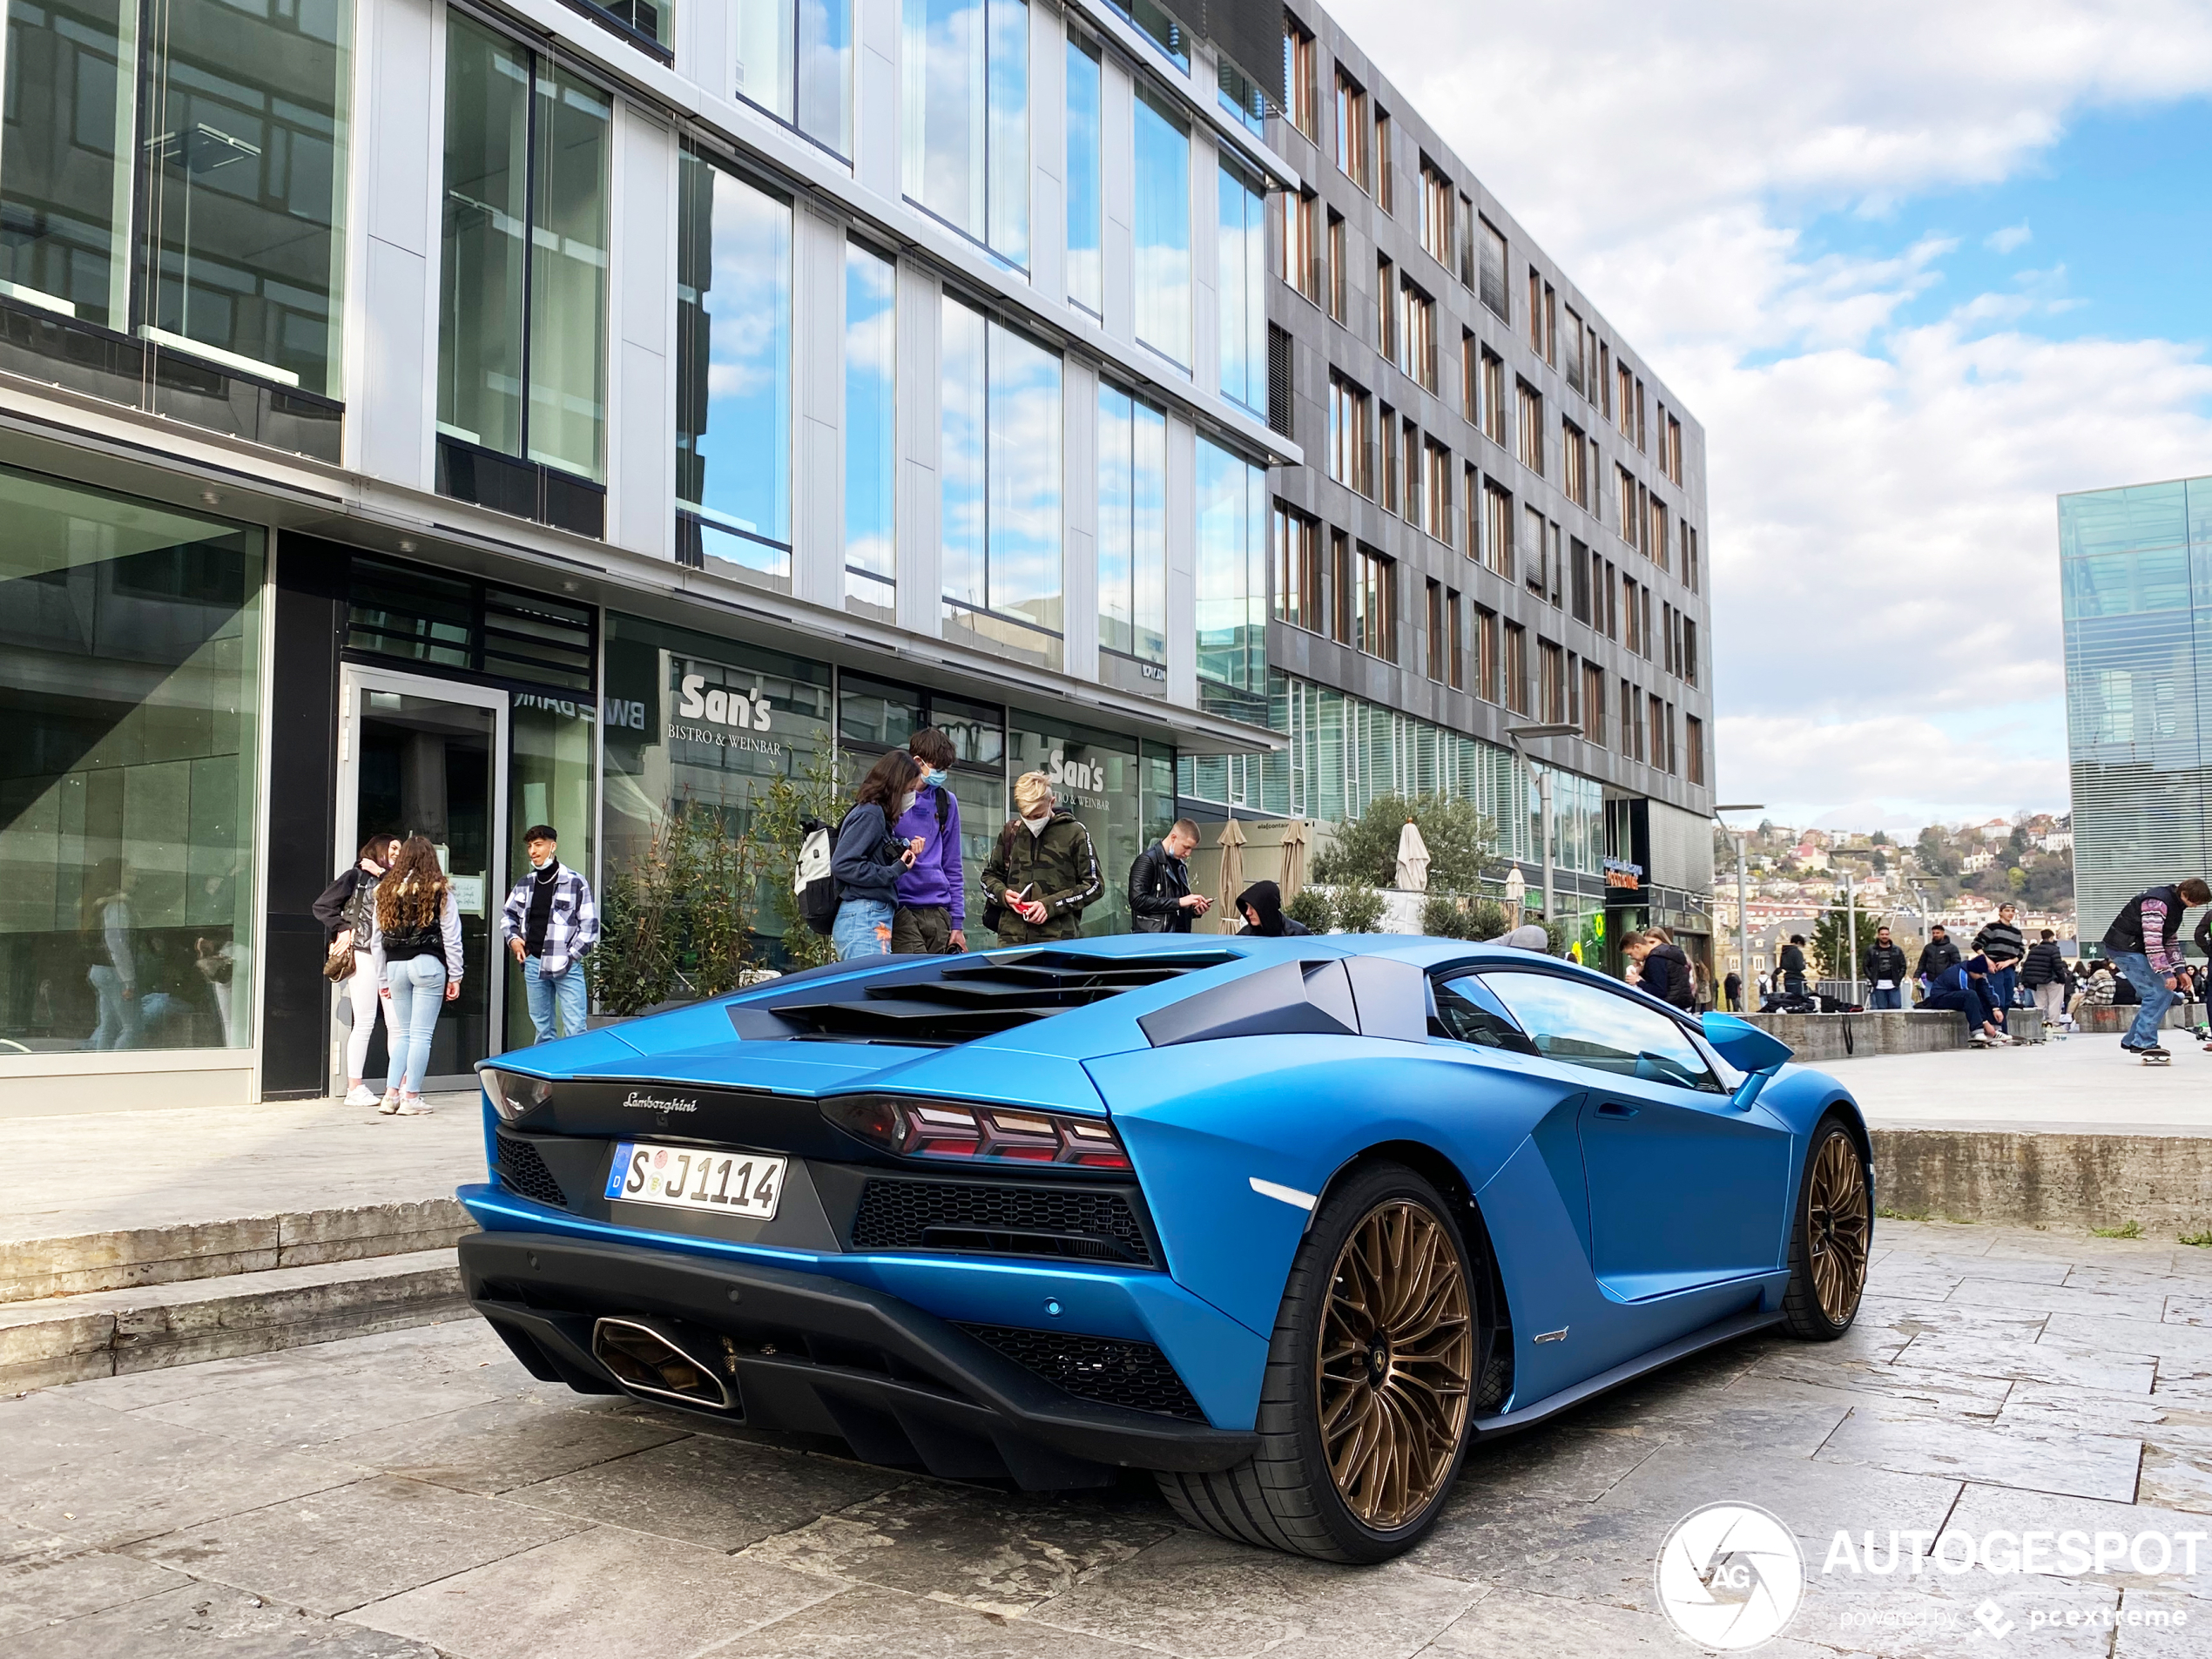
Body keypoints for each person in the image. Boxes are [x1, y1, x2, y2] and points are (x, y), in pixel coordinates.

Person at [369, 834, 462, 1114]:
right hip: (427, 964)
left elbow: (376, 940)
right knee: (421, 1036)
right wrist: (455, 975)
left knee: (405, 1034)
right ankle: (411, 1098)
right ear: (430, 859)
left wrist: (382, 979)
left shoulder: (385, 890)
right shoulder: (440, 890)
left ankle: (390, 1095)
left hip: (395, 967)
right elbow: (452, 935)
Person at [314, 833, 401, 1103]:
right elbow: (323, 905)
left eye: (400, 849)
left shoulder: (396, 881)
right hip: (363, 954)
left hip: (391, 955)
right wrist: (344, 928)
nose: (398, 852)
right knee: (364, 1022)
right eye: (393, 847)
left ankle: (397, 1088)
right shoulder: (355, 876)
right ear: (379, 849)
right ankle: (355, 1088)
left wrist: (384, 876)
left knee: (396, 1024)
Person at [500, 826, 598, 1044]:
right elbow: (508, 916)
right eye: (529, 846)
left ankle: (573, 1074)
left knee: (575, 1029)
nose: (533, 851)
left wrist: (571, 956)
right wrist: (514, 940)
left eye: (538, 845)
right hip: (533, 961)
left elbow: (590, 926)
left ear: (552, 846)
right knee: (542, 1030)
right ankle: (546, 1075)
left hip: (566, 964)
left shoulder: (575, 882)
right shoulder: (525, 883)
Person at [981, 772, 1103, 944]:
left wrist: (1051, 906)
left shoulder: (1075, 833)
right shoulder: (1011, 832)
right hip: (1010, 939)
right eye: (1026, 816)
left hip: (1058, 940)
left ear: (1051, 802)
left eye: (1037, 816)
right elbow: (988, 877)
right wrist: (1004, 895)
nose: (1032, 821)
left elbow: (1094, 885)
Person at [2101, 877, 2211, 1058]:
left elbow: (2170, 941)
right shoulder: (2156, 903)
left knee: (2165, 993)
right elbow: (2153, 942)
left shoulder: (2175, 905)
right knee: (2156, 992)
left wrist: (2181, 971)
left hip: (2137, 949)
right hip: (2125, 948)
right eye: (2195, 902)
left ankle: (2132, 1040)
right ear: (2184, 894)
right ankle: (2143, 1041)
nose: (2196, 907)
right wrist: (2167, 973)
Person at [832, 750, 923, 961]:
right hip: (865, 915)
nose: (911, 797)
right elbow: (843, 864)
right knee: (868, 987)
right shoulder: (871, 814)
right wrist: (894, 870)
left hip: (867, 916)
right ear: (896, 786)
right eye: (909, 790)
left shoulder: (873, 813)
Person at [891, 729, 966, 954]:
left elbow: (953, 865)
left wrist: (957, 924)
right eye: (938, 768)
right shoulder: (892, 798)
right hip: (900, 905)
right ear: (918, 762)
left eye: (945, 769)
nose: (941, 774)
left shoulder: (946, 802)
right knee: (913, 981)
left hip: (938, 910)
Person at [82, 858, 140, 1051]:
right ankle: (118, 1070)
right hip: (115, 971)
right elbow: (117, 943)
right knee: (131, 1028)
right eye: (129, 873)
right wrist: (129, 980)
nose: (135, 877)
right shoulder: (117, 905)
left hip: (99, 969)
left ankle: (101, 1068)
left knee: (108, 1026)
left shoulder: (97, 902)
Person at [1130, 819, 1212, 934]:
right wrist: (1179, 902)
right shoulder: (1147, 860)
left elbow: (1175, 907)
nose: (1188, 853)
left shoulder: (1180, 865)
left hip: (1178, 937)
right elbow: (1137, 900)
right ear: (1173, 838)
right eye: (1186, 847)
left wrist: (1194, 910)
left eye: (1191, 849)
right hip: (1152, 938)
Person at [1922, 951, 2010, 1046]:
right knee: (1970, 995)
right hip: (1941, 997)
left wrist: (1995, 1008)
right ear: (1974, 972)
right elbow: (1971, 1000)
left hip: (1958, 995)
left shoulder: (1978, 974)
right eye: (1980, 975)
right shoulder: (1960, 975)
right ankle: (1978, 1031)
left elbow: (1988, 991)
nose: (1981, 977)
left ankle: (1994, 1031)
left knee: (1984, 995)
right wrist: (1985, 1023)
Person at [1974, 902, 2027, 1012]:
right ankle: (1996, 1024)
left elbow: (2021, 952)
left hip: (2009, 968)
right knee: (1998, 998)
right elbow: (1976, 944)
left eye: (2013, 911)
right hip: (1994, 967)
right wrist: (1988, 961)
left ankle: (2003, 1026)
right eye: (2007, 911)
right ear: (2000, 913)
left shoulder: (2016, 932)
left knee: (2008, 998)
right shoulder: (1992, 928)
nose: (2010, 913)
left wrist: (2009, 962)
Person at [2019, 928, 2069, 1032]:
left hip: (2038, 982)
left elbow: (2027, 966)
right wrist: (2062, 979)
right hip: (2052, 980)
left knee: (2041, 1004)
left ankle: (2041, 1025)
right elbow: (2058, 966)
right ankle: (2053, 1025)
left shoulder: (2034, 950)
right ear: (2051, 937)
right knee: (2054, 1003)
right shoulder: (2054, 949)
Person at [1235, 880, 1311, 936]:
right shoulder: (1244, 936)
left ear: (1266, 908)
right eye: (1247, 907)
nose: (1248, 912)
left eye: (1252, 907)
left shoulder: (1299, 934)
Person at [1862, 925, 1908, 1011]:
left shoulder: (1897, 950)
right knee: (1881, 1009)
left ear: (1889, 935)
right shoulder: (1871, 950)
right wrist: (1872, 978)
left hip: (1893, 984)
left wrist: (1898, 978)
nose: (1884, 936)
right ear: (1878, 935)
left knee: (1896, 1007)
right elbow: (1865, 966)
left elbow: (1903, 966)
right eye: (1882, 934)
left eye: (1886, 934)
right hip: (1878, 985)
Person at [1914, 926, 1960, 997]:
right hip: (1930, 981)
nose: (1935, 935)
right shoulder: (1928, 948)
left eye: (1937, 933)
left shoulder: (1951, 948)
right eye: (1933, 933)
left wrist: (1950, 976)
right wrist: (1917, 975)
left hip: (1945, 982)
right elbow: (1922, 963)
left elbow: (1956, 964)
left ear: (1943, 933)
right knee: (1927, 1001)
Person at [1777, 934, 1809, 998]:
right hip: (1797, 978)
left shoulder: (1785, 951)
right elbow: (1800, 966)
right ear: (1799, 943)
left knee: (1789, 998)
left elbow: (1781, 965)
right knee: (1798, 999)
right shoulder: (1797, 952)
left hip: (1787, 978)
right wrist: (1804, 964)